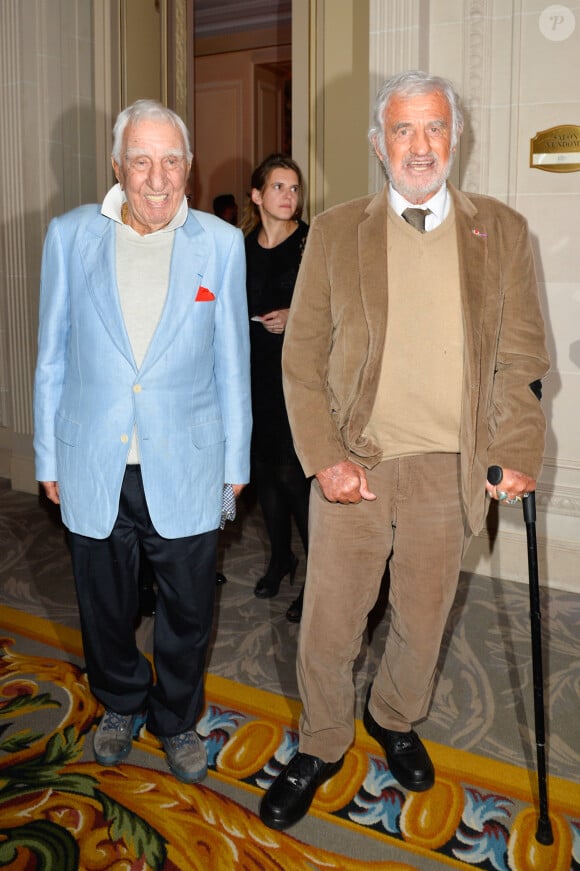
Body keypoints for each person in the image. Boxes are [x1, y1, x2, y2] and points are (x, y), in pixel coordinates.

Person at [259, 70, 549, 831]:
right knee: (329, 622)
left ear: (456, 138)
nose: (420, 147)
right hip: (359, 462)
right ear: (379, 145)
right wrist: (326, 457)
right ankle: (321, 740)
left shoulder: (505, 232)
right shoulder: (336, 228)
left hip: (448, 469)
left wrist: (517, 446)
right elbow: (304, 356)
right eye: (403, 131)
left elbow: (521, 362)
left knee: (423, 622)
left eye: (434, 129)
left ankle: (394, 716)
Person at [33, 99, 251, 785]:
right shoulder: (70, 236)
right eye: (141, 161)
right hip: (92, 459)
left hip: (186, 461)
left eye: (171, 162)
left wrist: (236, 460)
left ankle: (178, 716)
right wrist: (47, 456)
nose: (157, 178)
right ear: (117, 165)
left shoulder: (220, 242)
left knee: (188, 607)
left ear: (188, 166)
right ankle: (122, 701)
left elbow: (233, 361)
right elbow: (52, 357)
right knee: (103, 604)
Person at [240, 154, 310, 623]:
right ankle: (280, 558)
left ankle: (318, 578)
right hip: (252, 372)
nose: (289, 197)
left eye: (294, 189)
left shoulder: (311, 242)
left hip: (297, 375)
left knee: (292, 476)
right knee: (264, 472)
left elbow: (339, 307)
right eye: (279, 188)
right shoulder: (240, 246)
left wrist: (295, 316)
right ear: (257, 195)